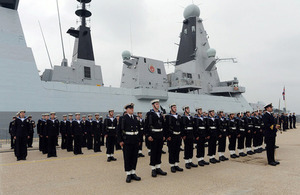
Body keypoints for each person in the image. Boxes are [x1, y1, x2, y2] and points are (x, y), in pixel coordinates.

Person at [117, 103, 141, 183]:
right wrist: (120, 141)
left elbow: (139, 130)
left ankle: (133, 172)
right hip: (127, 140)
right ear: (126, 110)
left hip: (135, 140)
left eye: (132, 108)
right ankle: (128, 174)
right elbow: (119, 130)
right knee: (127, 157)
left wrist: (139, 140)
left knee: (134, 157)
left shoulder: (135, 118)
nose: (132, 109)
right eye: (130, 108)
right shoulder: (123, 118)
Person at [145, 99, 167, 177]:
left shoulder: (161, 114)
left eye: (158, 104)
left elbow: (164, 125)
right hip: (153, 135)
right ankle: (153, 169)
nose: (158, 105)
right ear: (153, 105)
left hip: (160, 135)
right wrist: (148, 135)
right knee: (153, 152)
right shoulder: (149, 114)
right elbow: (146, 126)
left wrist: (164, 135)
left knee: (159, 151)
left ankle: (158, 167)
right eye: (156, 104)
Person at [165, 104, 184, 173]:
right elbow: (165, 127)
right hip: (171, 136)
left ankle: (176, 164)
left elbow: (181, 126)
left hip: (178, 136)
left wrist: (182, 135)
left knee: (177, 150)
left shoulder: (179, 116)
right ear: (171, 108)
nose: (175, 108)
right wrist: (167, 136)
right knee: (171, 151)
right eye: (173, 107)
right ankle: (172, 165)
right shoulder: (168, 117)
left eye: (175, 107)